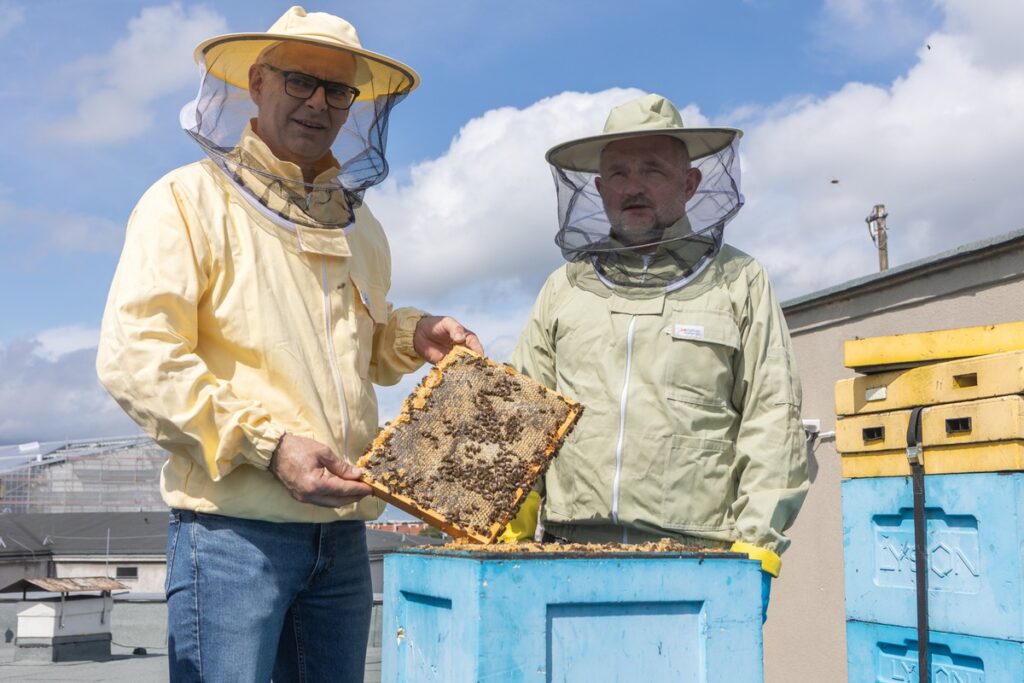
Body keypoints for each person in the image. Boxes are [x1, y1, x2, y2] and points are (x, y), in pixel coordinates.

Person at [96, 7, 481, 682]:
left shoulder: (363, 232)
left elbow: (354, 343)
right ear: (257, 83)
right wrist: (269, 446)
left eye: (338, 91)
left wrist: (413, 333)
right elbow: (138, 358)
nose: (319, 103)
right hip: (232, 536)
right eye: (302, 81)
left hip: (344, 539)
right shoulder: (186, 201)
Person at [505, 94, 809, 616]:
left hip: (698, 559)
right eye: (618, 173)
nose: (634, 186)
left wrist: (756, 549)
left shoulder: (739, 281)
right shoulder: (563, 289)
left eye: (652, 169)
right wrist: (508, 534)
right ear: (598, 190)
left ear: (689, 183)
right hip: (567, 556)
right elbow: (524, 418)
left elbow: (772, 418)